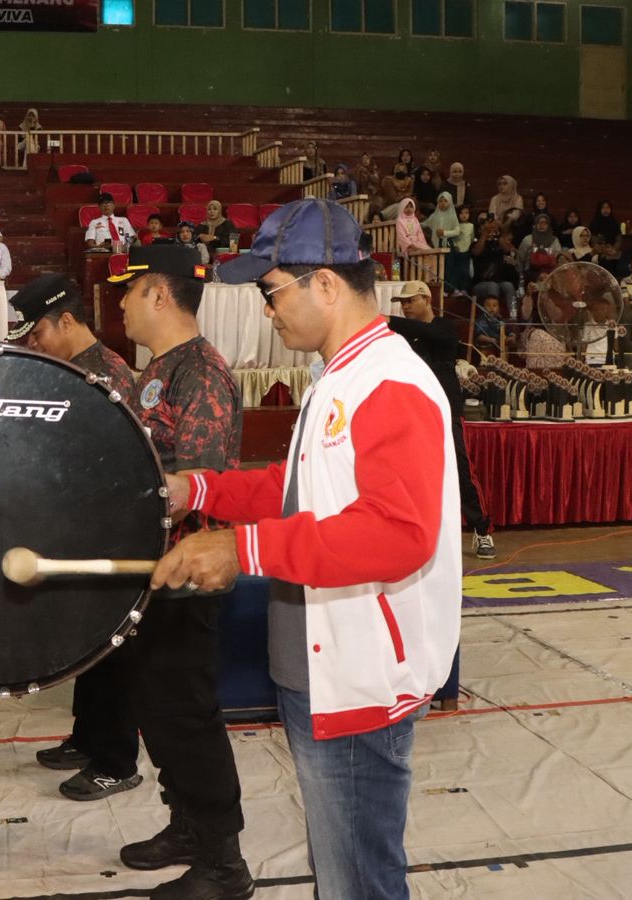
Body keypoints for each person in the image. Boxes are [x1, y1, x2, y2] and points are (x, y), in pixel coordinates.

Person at [164, 198, 459, 900]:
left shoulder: (388, 382)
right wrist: (198, 489)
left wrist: (246, 552)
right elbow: (302, 488)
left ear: (324, 283)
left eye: (272, 293)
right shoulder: (342, 376)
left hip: (359, 676)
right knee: (342, 873)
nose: (269, 311)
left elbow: (398, 533)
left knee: (359, 879)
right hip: (319, 668)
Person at [106, 243, 250, 899]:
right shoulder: (158, 371)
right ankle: (187, 824)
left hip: (184, 574)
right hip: (148, 574)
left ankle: (223, 862)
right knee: (156, 708)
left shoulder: (203, 373)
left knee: (187, 713)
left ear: (160, 294)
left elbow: (205, 482)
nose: (121, 303)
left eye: (130, 291)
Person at [9, 275, 143, 803]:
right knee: (87, 646)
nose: (33, 342)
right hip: (74, 527)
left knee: (113, 648)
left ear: (68, 320)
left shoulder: (107, 374)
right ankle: (88, 739)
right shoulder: (67, 369)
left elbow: (121, 460)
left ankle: (116, 760)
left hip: (107, 531)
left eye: (39, 330)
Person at [391, 281, 494, 558]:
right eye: (402, 303)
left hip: (446, 408)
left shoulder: (445, 328)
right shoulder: (403, 336)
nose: (406, 306)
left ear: (426, 299)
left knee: (461, 468)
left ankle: (481, 530)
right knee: (409, 470)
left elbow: (429, 334)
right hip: (414, 410)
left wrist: (388, 321)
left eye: (410, 300)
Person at [469, 214, 518, 315]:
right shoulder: (475, 243)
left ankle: (513, 318)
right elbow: (476, 252)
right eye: (485, 227)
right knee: (493, 286)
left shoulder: (498, 243)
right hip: (480, 284)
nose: (489, 229)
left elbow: (508, 249)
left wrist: (498, 233)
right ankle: (492, 319)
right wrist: (485, 233)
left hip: (499, 281)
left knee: (508, 285)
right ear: (479, 230)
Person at [515, 213, 560, 279]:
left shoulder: (554, 240)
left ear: (549, 225)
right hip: (531, 274)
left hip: (551, 275)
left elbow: (557, 258)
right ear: (535, 225)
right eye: (539, 222)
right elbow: (520, 260)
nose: (542, 225)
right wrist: (521, 278)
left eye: (545, 223)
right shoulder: (528, 240)